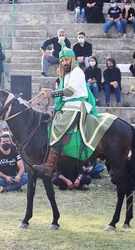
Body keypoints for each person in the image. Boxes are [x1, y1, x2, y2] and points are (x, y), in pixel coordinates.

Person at [32, 46, 98, 176]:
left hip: (77, 105)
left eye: (67, 60)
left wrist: (52, 94)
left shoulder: (77, 71)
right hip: (67, 106)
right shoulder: (66, 75)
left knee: (58, 127)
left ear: (72, 60)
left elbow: (69, 91)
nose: (64, 63)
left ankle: (50, 165)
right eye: (62, 61)